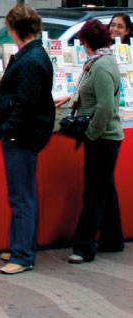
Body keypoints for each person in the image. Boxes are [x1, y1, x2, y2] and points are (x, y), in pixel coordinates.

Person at [0, 4, 55, 275]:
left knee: (21, 196)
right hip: (24, 133)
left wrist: (9, 127)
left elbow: (26, 104)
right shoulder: (34, 55)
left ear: (14, 30)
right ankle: (19, 246)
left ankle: (23, 254)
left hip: (22, 135)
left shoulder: (30, 60)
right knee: (20, 194)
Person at [55, 20, 124, 263]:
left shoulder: (102, 67)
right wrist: (69, 98)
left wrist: (91, 134)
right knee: (106, 188)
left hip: (103, 137)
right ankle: (112, 238)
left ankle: (84, 247)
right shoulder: (99, 63)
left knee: (93, 193)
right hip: (105, 136)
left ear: (86, 42)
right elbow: (92, 96)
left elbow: (105, 107)